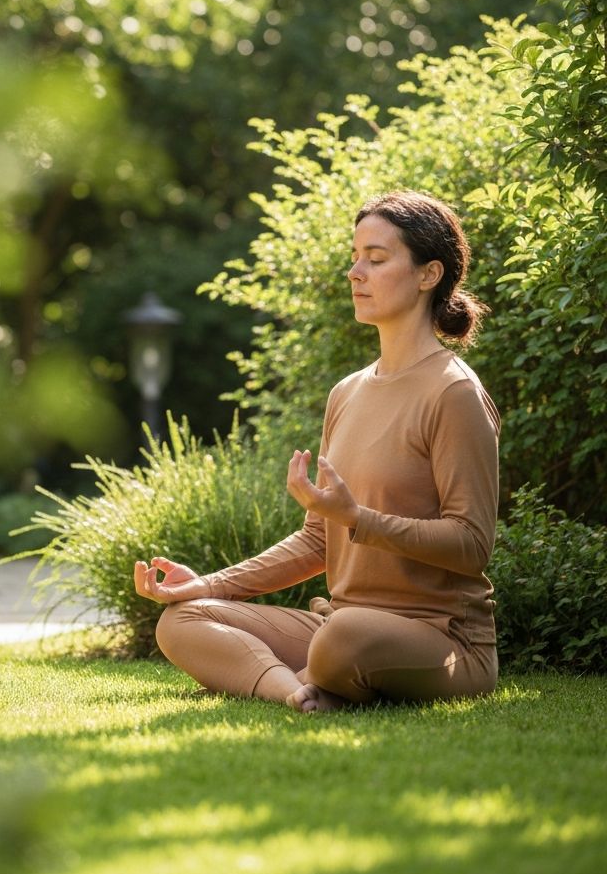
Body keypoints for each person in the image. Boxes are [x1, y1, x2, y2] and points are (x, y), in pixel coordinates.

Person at [134, 190, 500, 713]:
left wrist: (359, 518)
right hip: (341, 625)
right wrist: (207, 585)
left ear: (429, 274)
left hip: (442, 640)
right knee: (183, 621)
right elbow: (315, 541)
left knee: (343, 637)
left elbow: (472, 543)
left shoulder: (454, 394)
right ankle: (294, 692)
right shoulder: (347, 393)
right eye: (355, 258)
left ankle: (299, 676)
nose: (356, 272)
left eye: (376, 259)